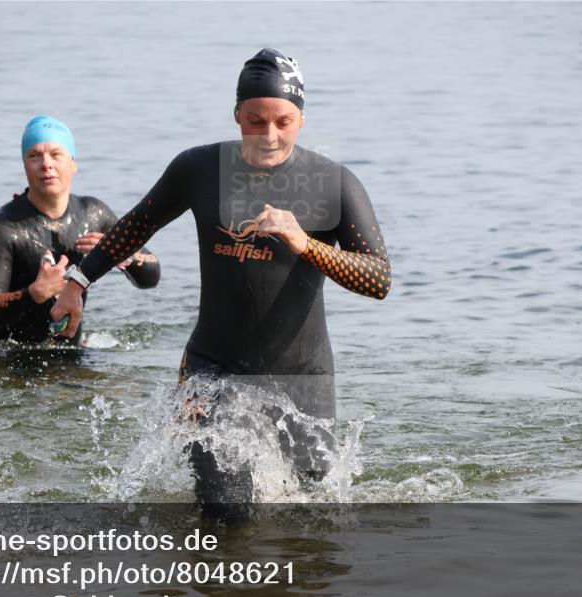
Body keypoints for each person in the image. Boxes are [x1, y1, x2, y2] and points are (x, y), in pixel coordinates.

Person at [51, 50, 390, 506]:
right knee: (225, 506)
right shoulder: (200, 168)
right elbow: (135, 226)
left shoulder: (329, 182)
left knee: (312, 517)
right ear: (236, 115)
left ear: (302, 119)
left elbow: (378, 279)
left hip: (302, 377)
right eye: (255, 120)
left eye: (283, 122)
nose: (269, 136)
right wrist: (77, 283)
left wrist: (306, 243)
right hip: (215, 371)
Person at [0, 115, 159, 346]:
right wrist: (34, 293)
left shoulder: (94, 214)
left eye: (56, 154)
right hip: (9, 359)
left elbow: (151, 275)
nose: (46, 164)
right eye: (34, 156)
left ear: (73, 164)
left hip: (71, 355)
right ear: (25, 165)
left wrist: (125, 256)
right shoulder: (3, 228)